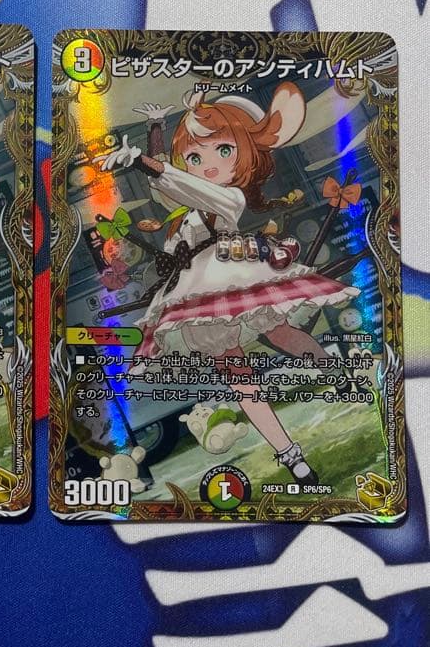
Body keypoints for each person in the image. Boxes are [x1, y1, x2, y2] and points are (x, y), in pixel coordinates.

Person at [98, 82, 359, 486]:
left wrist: (144, 162)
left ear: (246, 153)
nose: (207, 164)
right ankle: (291, 457)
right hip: (196, 291)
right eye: (195, 156)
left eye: (224, 150)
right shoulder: (186, 213)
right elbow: (170, 185)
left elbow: (184, 183)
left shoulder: (231, 197)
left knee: (283, 334)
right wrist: (154, 130)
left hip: (232, 276)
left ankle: (336, 373)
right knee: (240, 376)